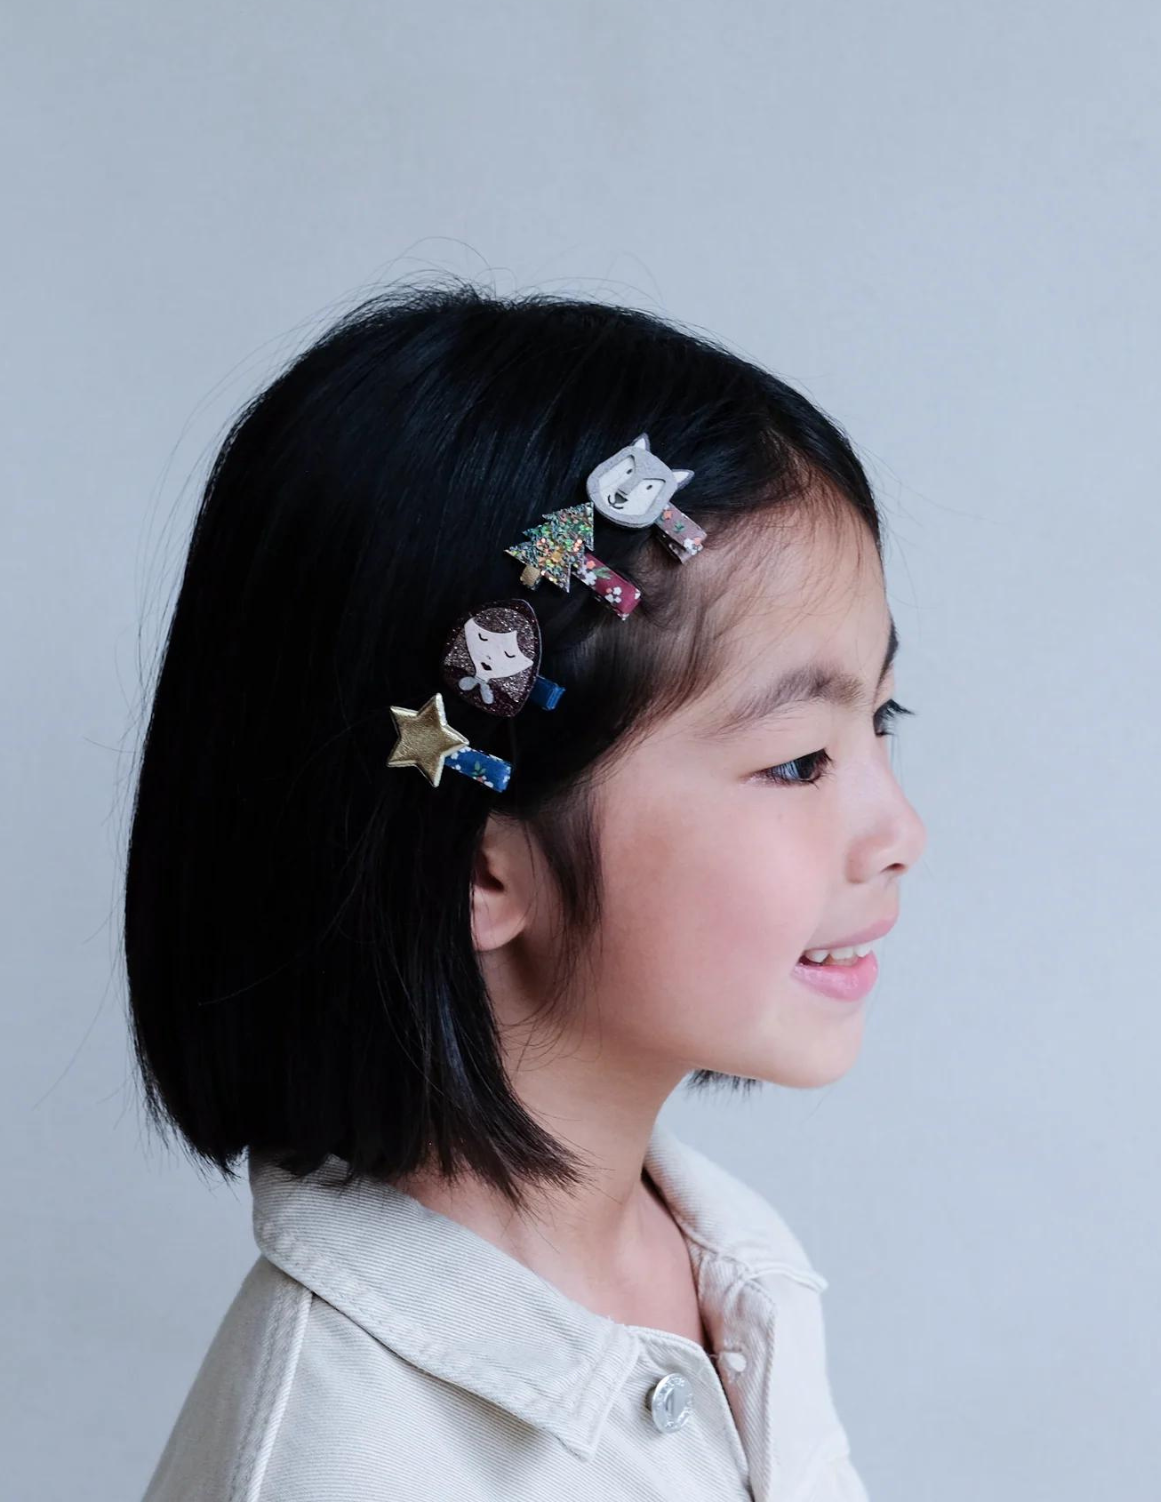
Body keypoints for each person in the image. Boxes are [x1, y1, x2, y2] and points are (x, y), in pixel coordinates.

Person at [128, 280, 926, 1500]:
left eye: (884, 722)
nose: (900, 833)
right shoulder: (343, 1461)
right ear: (482, 863)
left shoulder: (728, 1263)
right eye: (799, 760)